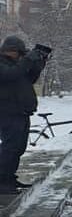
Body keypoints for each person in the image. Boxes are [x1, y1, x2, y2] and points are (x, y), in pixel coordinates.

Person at [0, 36, 49, 194]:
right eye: (19, 53)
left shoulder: (17, 64)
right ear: (10, 51)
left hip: (21, 112)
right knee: (10, 147)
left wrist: (39, 62)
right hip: (8, 112)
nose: (21, 56)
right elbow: (11, 74)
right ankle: (2, 180)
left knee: (19, 147)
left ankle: (9, 177)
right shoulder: (3, 65)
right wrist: (28, 60)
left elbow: (29, 79)